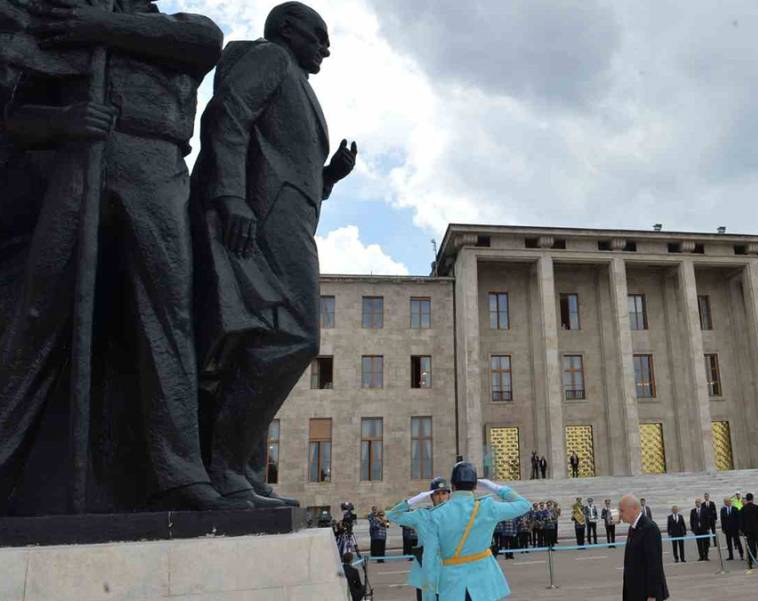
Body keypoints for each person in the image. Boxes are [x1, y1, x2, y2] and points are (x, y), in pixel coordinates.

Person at [0, 0, 255, 513]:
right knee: (37, 313)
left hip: (156, 166)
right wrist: (62, 120)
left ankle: (180, 474)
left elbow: (205, 40)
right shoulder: (55, 28)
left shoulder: (171, 28)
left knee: (168, 317)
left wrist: (100, 27)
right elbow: (13, 119)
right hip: (81, 161)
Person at [191, 1, 358, 506]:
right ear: (288, 30)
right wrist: (231, 197)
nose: (325, 48)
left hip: (291, 219)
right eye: (318, 36)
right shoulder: (269, 58)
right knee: (292, 335)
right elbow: (227, 116)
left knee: (274, 335)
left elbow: (284, 159)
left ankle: (240, 466)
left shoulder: (300, 84)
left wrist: (330, 176)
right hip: (260, 217)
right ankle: (223, 463)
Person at [420, 461, 531, 601]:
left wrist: (428, 596)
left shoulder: (436, 515)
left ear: (453, 486)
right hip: (484, 584)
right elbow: (524, 505)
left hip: (452, 585)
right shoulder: (488, 508)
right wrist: (496, 488)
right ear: (475, 486)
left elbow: (428, 560)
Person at [386, 477, 453, 600]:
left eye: (444, 493)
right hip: (426, 574)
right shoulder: (422, 515)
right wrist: (413, 500)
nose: (441, 497)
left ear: (449, 495)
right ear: (431, 497)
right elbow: (391, 515)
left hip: (448, 574)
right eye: (437, 494)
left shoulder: (456, 515)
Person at [619, 494, 669, 601]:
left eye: (622, 511)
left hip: (646, 594)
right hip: (634, 591)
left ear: (634, 509)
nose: (620, 515)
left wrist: (652, 595)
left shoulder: (649, 528)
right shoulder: (633, 528)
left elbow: (654, 564)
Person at [740, 493, 758, 569]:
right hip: (757, 531)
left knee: (750, 547)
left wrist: (743, 531)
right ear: (752, 498)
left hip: (748, 532)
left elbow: (741, 522)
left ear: (746, 499)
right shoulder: (756, 507)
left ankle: (750, 562)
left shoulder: (743, 509)